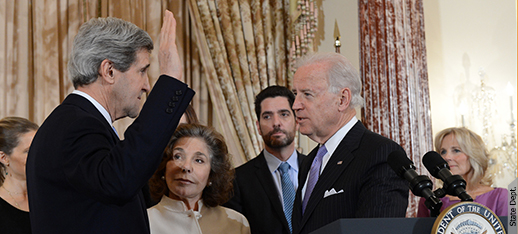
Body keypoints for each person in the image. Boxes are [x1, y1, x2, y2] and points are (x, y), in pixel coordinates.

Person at [25, 11, 195, 233]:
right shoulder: (75, 126)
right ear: (109, 71)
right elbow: (118, 182)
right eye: (143, 71)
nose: (147, 86)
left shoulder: (77, 122)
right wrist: (170, 81)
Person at [290, 52, 409, 234]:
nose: (296, 105)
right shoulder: (311, 161)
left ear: (343, 99)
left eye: (307, 94)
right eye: (295, 94)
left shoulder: (380, 154)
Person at [225, 85, 304, 234]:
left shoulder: (318, 168)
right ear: (258, 127)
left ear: (297, 122)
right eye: (267, 116)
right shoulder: (236, 180)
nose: (276, 123)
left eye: (284, 114)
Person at [147, 124, 250, 234]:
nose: (186, 167)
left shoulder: (236, 224)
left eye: (199, 160)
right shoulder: (144, 222)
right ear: (164, 167)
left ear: (212, 175)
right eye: (178, 156)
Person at [417, 127, 508, 217]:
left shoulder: (500, 197)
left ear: (474, 155)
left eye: (456, 150)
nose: (447, 157)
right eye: (443, 152)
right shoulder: (430, 201)